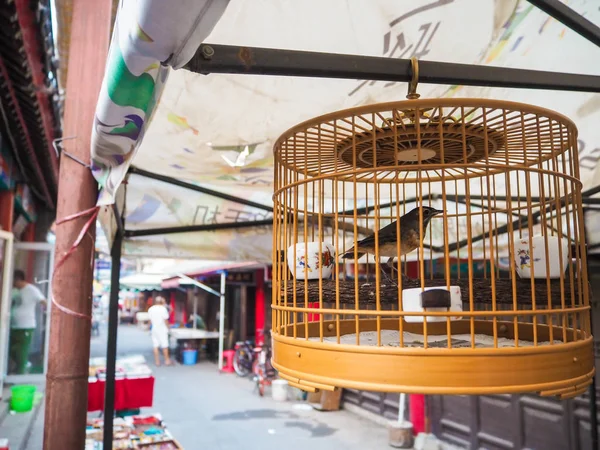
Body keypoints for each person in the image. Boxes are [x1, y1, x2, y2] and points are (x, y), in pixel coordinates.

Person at [10, 270, 46, 374]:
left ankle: (20, 375)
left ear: (18, 279)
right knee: (11, 350)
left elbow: (43, 301)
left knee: (21, 352)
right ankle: (24, 366)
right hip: (13, 326)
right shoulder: (15, 291)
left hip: (26, 326)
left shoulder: (31, 290)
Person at [147, 296, 172, 366]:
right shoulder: (163, 309)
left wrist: (149, 327)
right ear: (161, 302)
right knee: (165, 345)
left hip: (154, 329)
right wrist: (169, 327)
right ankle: (167, 360)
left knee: (155, 345)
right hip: (162, 329)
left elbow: (150, 321)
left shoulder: (151, 309)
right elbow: (165, 320)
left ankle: (157, 362)